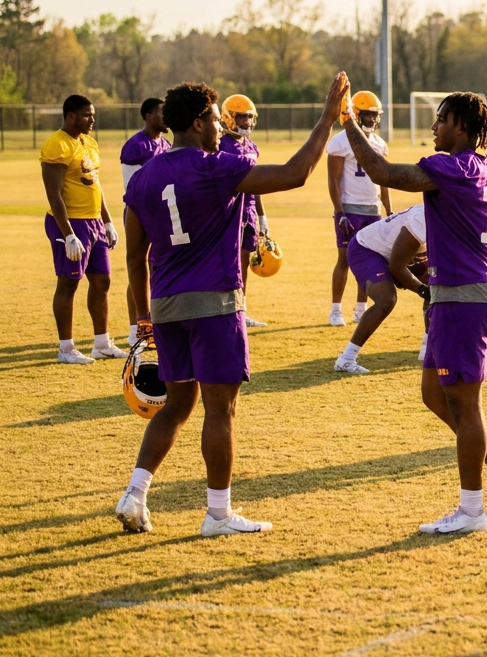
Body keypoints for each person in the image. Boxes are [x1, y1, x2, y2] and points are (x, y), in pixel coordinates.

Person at [115, 73, 350, 536]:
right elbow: (295, 173)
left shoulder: (143, 178)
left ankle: (135, 494)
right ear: (198, 123)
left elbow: (134, 257)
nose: (221, 127)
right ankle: (218, 515)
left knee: (176, 406)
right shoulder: (215, 167)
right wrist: (328, 117)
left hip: (165, 306)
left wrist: (142, 317)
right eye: (215, 119)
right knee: (220, 410)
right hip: (215, 304)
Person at [344, 91, 487, 534]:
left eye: (441, 119)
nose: (434, 127)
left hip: (461, 297)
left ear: (462, 127)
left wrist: (346, 120)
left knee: (465, 405)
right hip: (479, 294)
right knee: (435, 394)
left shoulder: (449, 167)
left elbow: (381, 171)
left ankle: (471, 511)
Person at [41, 94, 125, 364]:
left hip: (93, 222)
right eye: (87, 115)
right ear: (71, 116)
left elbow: (95, 185)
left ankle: (101, 343)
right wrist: (68, 235)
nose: (92, 120)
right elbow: (54, 194)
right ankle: (66, 349)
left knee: (102, 281)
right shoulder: (57, 144)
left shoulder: (89, 142)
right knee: (68, 283)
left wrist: (107, 221)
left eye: (93, 115)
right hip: (71, 223)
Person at [333, 204, 428, 374]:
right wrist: (422, 290)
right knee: (386, 300)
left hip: (397, 252)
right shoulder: (421, 219)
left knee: (438, 286)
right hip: (367, 249)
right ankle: (346, 359)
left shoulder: (447, 218)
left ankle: (428, 350)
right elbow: (396, 267)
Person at [326, 90, 392, 326]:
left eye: (375, 115)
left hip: (372, 209)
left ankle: (361, 308)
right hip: (350, 208)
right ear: (356, 114)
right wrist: (339, 211)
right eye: (368, 114)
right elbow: (333, 179)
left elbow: (384, 180)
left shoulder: (379, 144)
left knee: (367, 260)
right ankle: (335, 310)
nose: (372, 119)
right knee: (344, 259)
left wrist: (389, 211)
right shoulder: (340, 141)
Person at [119, 97, 171, 347]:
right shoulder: (135, 145)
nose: (166, 117)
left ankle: (155, 324)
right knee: (137, 268)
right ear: (149, 116)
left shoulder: (166, 143)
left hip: (163, 212)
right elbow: (132, 188)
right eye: (162, 112)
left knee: (156, 268)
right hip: (139, 214)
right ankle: (136, 329)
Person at [218, 94, 269, 327]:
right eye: (241, 117)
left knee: (244, 262)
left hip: (248, 211)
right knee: (229, 263)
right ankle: (225, 310)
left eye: (249, 117)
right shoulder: (221, 144)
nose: (246, 122)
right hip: (229, 210)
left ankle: (240, 308)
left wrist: (262, 216)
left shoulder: (251, 146)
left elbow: (257, 183)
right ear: (229, 117)